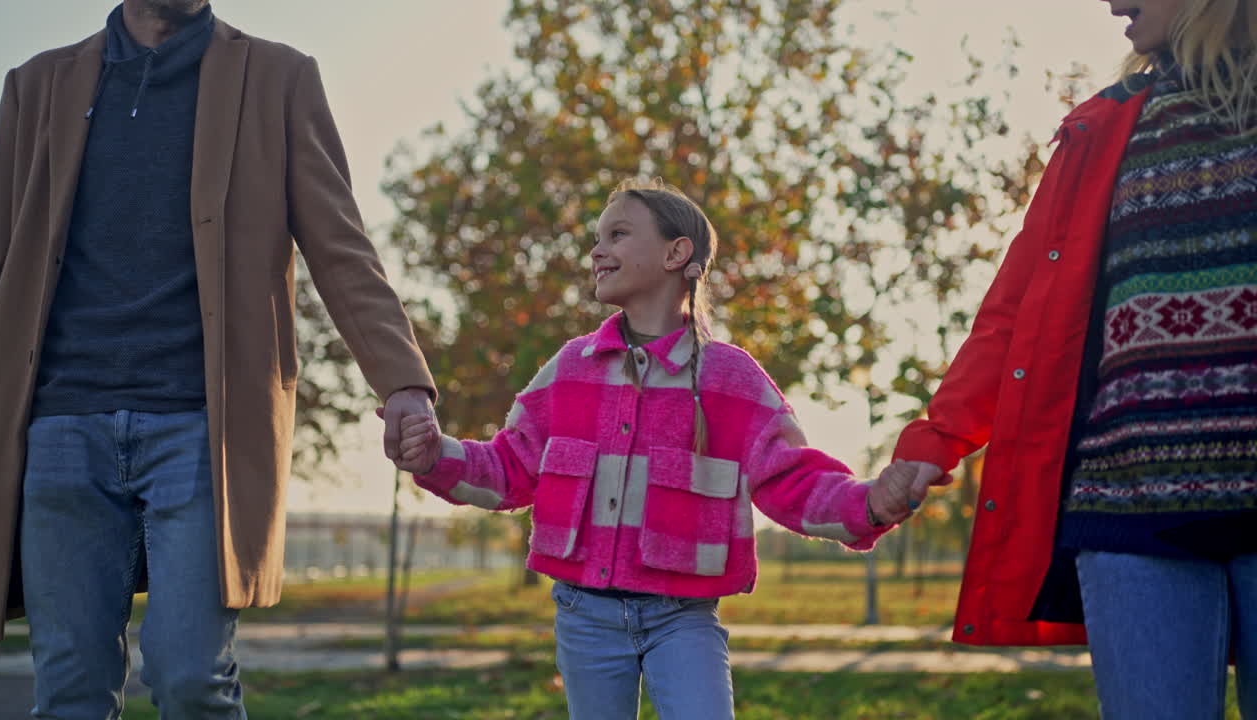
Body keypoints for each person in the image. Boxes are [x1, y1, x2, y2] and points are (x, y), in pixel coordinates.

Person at [0, 1, 436, 717]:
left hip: (205, 429)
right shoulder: (36, 84)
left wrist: (403, 383)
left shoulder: (277, 78)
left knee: (190, 676)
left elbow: (340, 247)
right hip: (61, 423)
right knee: (68, 686)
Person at [392, 178, 925, 720]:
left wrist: (873, 501)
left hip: (684, 619)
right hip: (584, 617)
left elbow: (795, 481)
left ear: (677, 253)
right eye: (598, 238)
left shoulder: (731, 379)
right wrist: (437, 455)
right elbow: (507, 468)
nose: (597, 250)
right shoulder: (570, 368)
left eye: (618, 234)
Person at [881, 0, 1257, 717]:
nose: (1112, 2)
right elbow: (1017, 312)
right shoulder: (1105, 128)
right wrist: (936, 439)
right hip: (1130, 510)